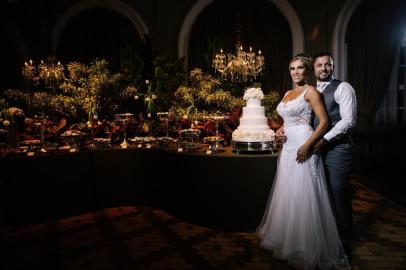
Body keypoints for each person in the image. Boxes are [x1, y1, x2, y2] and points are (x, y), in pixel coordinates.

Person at [256, 54, 350, 270]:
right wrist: (279, 130)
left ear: (307, 71)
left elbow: (324, 121)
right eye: (292, 68)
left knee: (304, 193)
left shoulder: (311, 91)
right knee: (288, 191)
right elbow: (288, 120)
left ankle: (306, 246)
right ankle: (287, 239)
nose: (295, 72)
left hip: (303, 144)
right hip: (288, 147)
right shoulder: (289, 93)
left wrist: (308, 145)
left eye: (299, 68)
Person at [311, 52, 357, 260]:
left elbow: (348, 121)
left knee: (338, 191)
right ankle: (327, 236)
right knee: (321, 193)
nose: (323, 68)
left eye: (327, 65)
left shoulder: (343, 87)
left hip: (337, 148)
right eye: (319, 65)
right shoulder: (310, 90)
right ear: (314, 68)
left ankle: (345, 238)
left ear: (332, 66)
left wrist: (325, 140)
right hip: (315, 148)